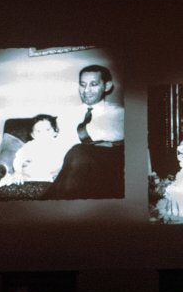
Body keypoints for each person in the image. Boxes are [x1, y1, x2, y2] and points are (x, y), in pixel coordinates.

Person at [45, 64, 125, 199]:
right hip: (75, 168)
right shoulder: (66, 115)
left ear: (107, 86)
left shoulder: (120, 114)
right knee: (78, 152)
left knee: (79, 150)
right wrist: (62, 167)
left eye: (94, 84)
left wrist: (111, 144)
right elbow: (59, 145)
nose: (86, 90)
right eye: (82, 85)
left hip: (107, 169)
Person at [0, 114, 67, 185]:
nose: (43, 134)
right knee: (9, 180)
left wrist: (59, 172)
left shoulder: (59, 146)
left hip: (50, 176)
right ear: (33, 135)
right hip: (29, 176)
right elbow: (18, 160)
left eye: (47, 130)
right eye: (38, 131)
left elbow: (65, 162)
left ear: (55, 132)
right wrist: (18, 172)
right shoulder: (30, 146)